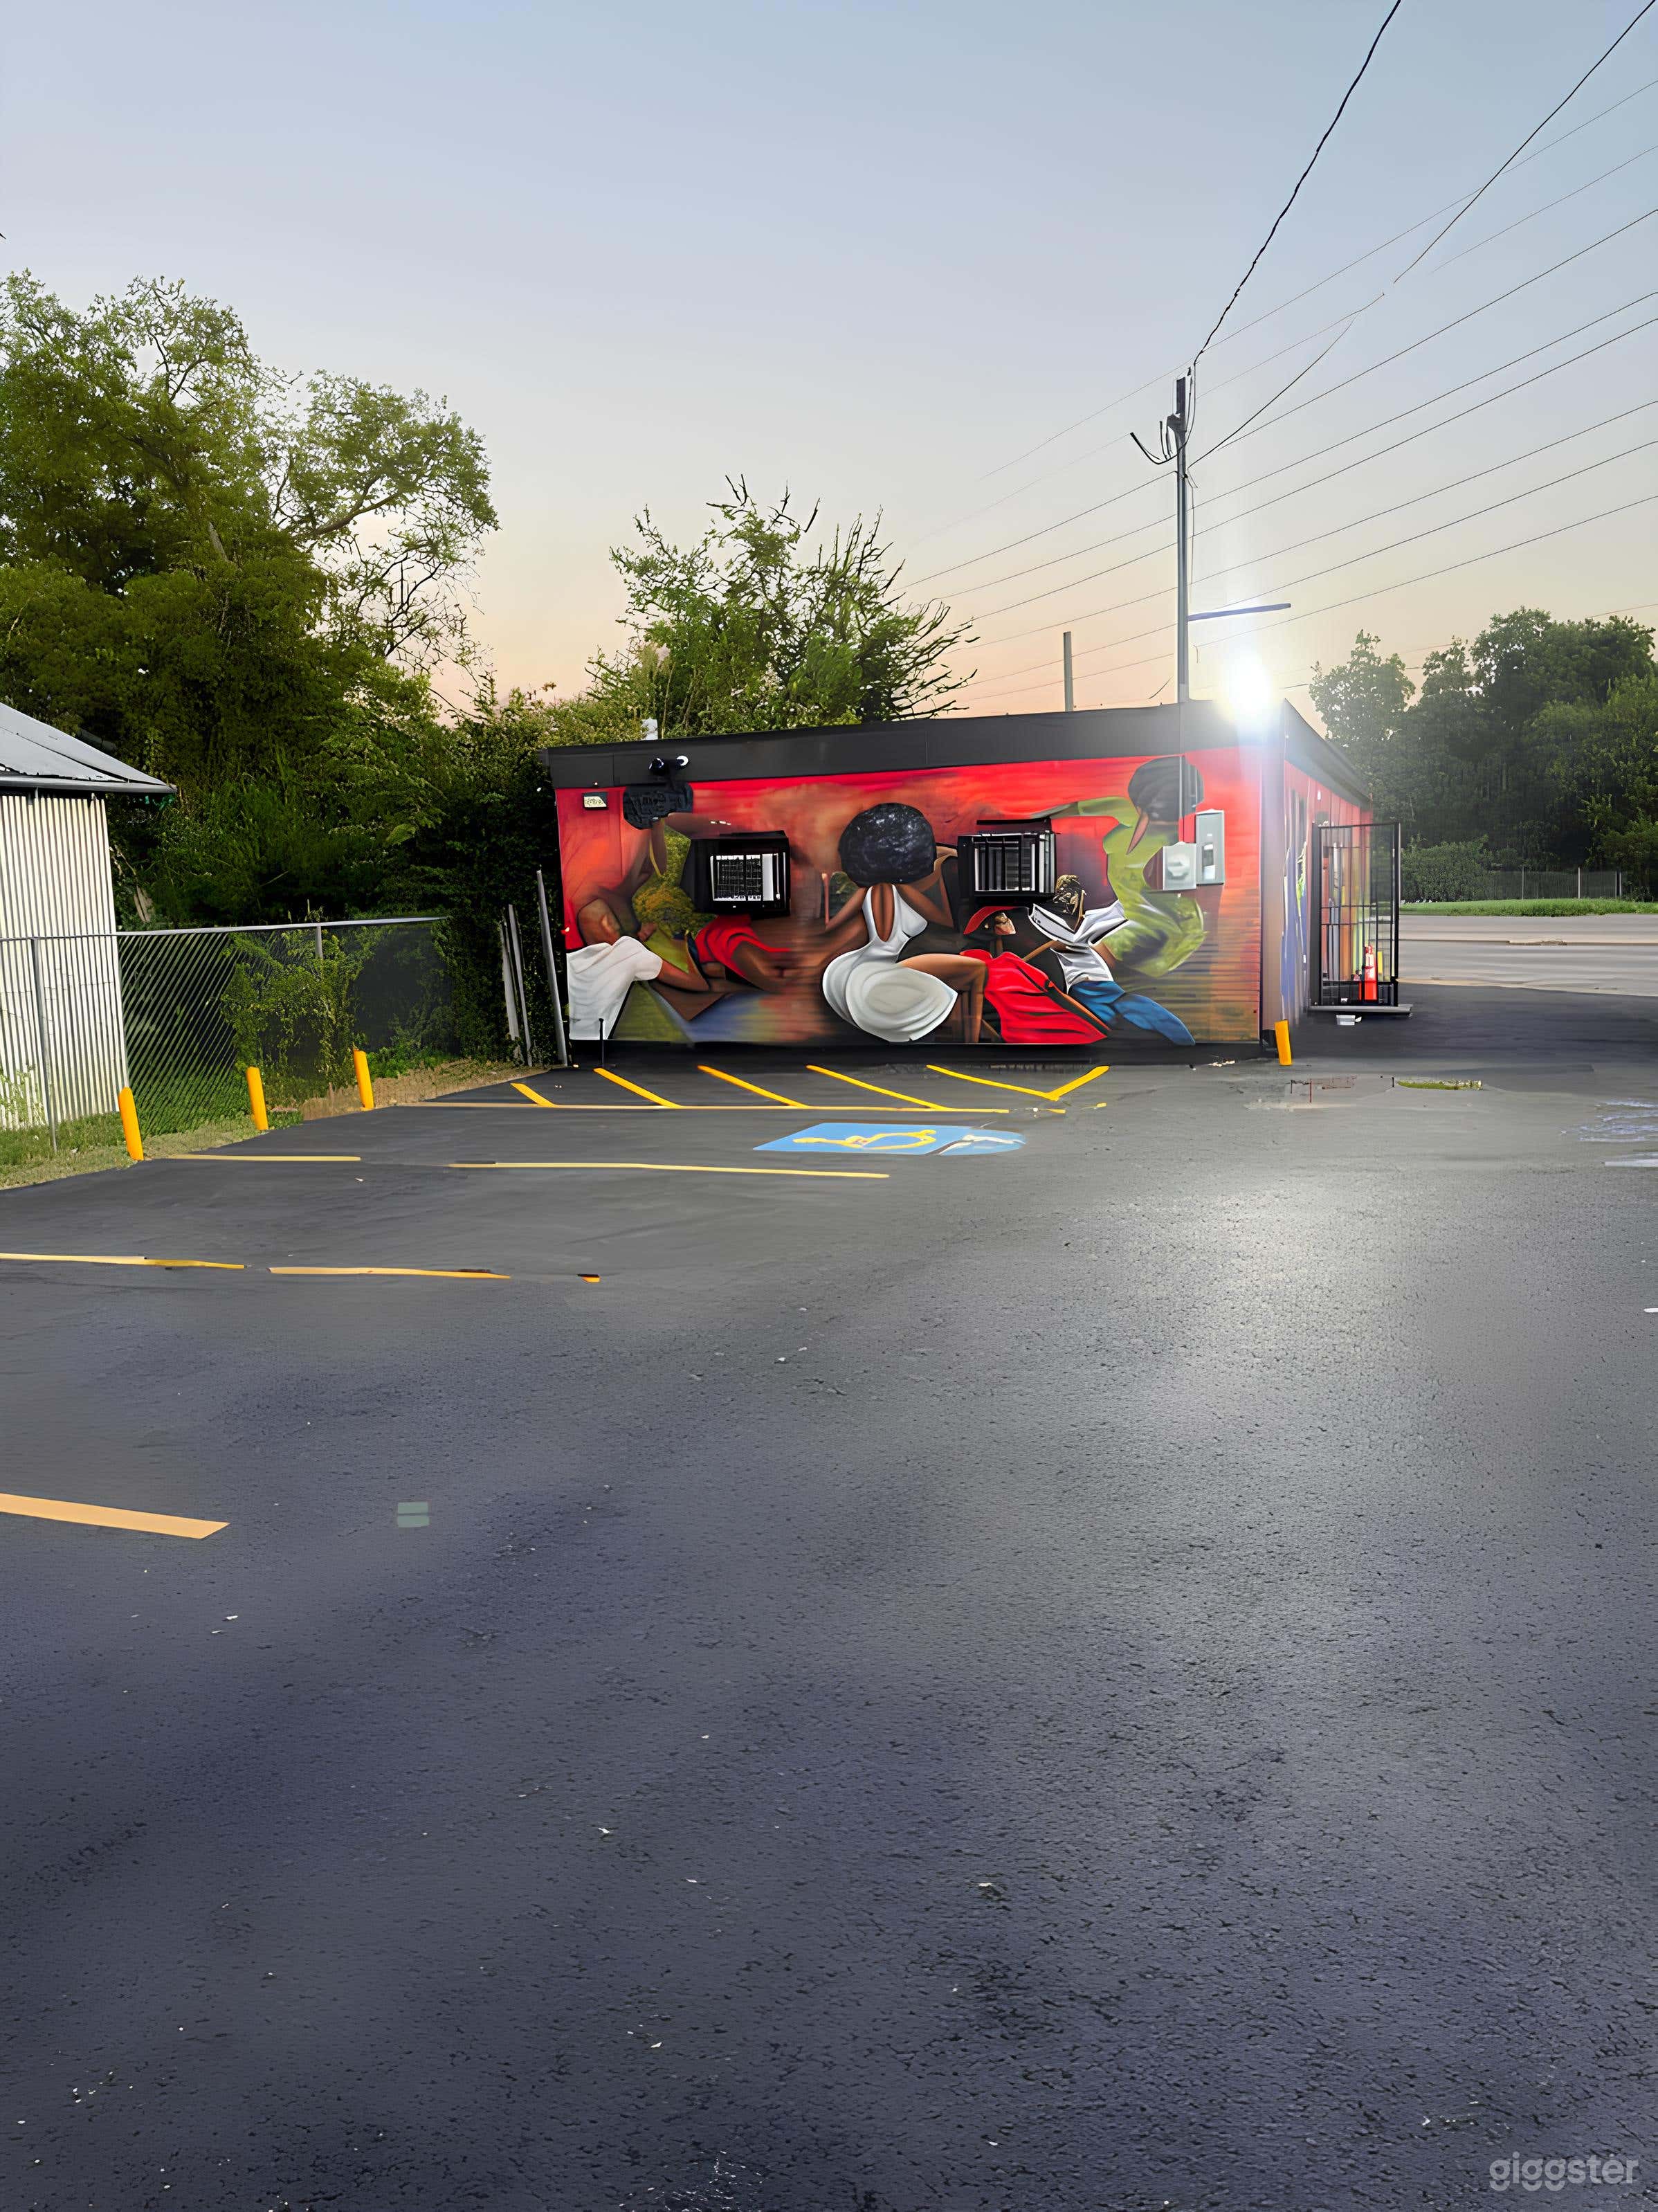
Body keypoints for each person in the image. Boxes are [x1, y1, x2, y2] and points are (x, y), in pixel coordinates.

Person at [818, 803, 985, 1044]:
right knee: (977, 971)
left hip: (855, 972)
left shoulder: (866, 892)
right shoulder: (903, 890)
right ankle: (971, 1044)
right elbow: (946, 921)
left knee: (962, 977)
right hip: (884, 969)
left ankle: (967, 1038)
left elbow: (832, 927)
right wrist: (944, 861)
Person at [1026, 873, 1194, 1043]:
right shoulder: (1059, 933)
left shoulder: (1073, 933)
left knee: (1137, 1008)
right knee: (1138, 1008)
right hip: (1093, 989)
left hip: (1094, 990)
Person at [958, 908, 1111, 1043]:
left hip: (1019, 1038)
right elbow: (1060, 997)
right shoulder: (1008, 962)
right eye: (1003, 918)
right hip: (1060, 1036)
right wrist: (1102, 1029)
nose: (1009, 923)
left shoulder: (972, 964)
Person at [565, 898, 709, 1040]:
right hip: (598, 1046)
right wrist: (687, 941)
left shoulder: (571, 961)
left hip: (574, 1044)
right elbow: (698, 983)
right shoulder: (630, 951)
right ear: (607, 923)